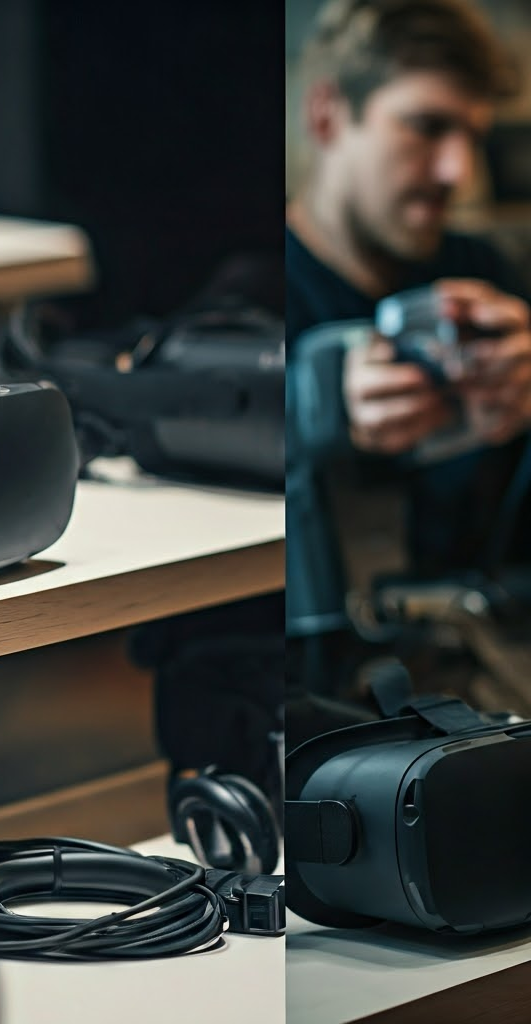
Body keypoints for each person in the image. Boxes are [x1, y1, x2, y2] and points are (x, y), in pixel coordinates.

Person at [286, 0, 531, 701]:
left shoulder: (487, 277)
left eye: (473, 136)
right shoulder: (249, 291)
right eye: (427, 127)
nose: (459, 171)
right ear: (328, 116)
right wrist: (314, 405)